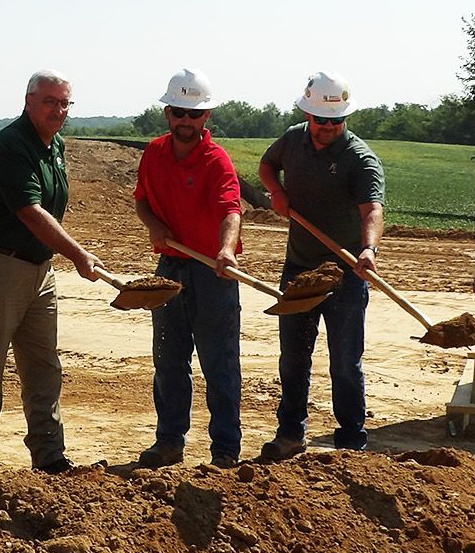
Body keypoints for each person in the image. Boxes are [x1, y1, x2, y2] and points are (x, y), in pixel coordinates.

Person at [0, 70, 100, 480]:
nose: (59, 110)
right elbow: (30, 212)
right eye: (50, 101)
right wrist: (78, 254)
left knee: (43, 364)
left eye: (65, 103)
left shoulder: (56, 145)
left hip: (38, 267)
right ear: (28, 100)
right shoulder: (10, 145)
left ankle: (49, 455)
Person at [257, 70, 385, 457]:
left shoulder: (359, 158)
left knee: (345, 362)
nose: (328, 127)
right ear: (307, 114)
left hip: (345, 274)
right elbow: (267, 165)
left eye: (336, 120)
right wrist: (276, 192)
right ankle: (290, 434)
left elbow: (372, 210)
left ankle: (350, 442)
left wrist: (368, 250)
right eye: (320, 119)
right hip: (299, 269)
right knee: (293, 358)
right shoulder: (293, 139)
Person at [133, 68, 244, 467]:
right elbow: (142, 200)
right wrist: (155, 226)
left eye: (193, 114)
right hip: (170, 268)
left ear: (205, 117)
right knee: (168, 360)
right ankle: (169, 442)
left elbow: (231, 210)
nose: (185, 120)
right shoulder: (154, 153)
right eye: (179, 112)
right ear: (167, 112)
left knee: (219, 363)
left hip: (212, 273)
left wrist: (226, 250)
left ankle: (225, 450)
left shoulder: (217, 161)